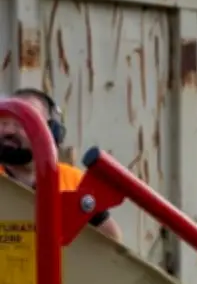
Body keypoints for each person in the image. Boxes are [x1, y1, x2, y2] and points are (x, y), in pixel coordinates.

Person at [0, 88, 123, 242]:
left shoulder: (74, 183)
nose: (9, 131)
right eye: (3, 123)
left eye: (22, 123)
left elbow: (112, 240)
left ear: (51, 132)